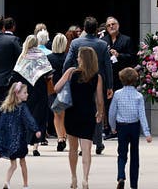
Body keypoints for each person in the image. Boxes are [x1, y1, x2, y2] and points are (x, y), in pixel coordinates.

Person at [55, 46, 104, 189]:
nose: (77, 58)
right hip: (88, 114)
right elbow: (99, 99)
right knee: (87, 149)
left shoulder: (71, 72)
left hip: (72, 113)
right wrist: (99, 113)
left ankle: (74, 177)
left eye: (78, 56)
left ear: (82, 59)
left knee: (73, 149)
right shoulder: (97, 77)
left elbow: (57, 87)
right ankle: (85, 179)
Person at [63, 16, 113, 155]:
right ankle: (98, 142)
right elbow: (108, 66)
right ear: (96, 30)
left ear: (84, 29)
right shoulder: (102, 44)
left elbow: (68, 62)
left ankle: (83, 143)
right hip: (97, 80)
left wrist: (66, 78)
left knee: (81, 110)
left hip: (79, 81)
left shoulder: (75, 43)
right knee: (98, 110)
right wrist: (109, 85)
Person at [0, 81, 42, 189]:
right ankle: (25, 185)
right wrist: (36, 129)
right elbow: (29, 119)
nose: (27, 94)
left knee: (13, 165)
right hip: (20, 140)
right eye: (25, 93)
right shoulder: (22, 107)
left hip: (10, 142)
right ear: (17, 94)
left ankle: (7, 182)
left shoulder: (7, 108)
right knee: (23, 163)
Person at [108, 67, 152, 189]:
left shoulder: (117, 94)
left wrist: (112, 126)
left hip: (122, 126)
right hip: (134, 126)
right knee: (134, 154)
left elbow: (112, 112)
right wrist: (147, 132)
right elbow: (142, 115)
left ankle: (121, 176)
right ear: (135, 80)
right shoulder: (138, 96)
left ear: (121, 79)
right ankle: (134, 184)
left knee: (121, 153)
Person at [11, 35, 52, 156]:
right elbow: (49, 73)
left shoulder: (22, 56)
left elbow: (16, 74)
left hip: (25, 91)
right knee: (39, 118)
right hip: (40, 90)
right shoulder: (41, 55)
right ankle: (35, 147)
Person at [102, 16, 134, 139]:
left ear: (118, 25)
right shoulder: (103, 41)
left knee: (122, 104)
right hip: (108, 78)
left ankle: (123, 129)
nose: (111, 26)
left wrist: (119, 55)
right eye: (109, 25)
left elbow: (132, 57)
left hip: (123, 77)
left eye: (113, 24)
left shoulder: (126, 40)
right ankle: (110, 129)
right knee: (109, 104)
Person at [47, 33, 68, 151]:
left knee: (57, 114)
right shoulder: (68, 57)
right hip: (65, 88)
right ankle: (64, 136)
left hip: (52, 87)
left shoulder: (49, 58)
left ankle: (60, 138)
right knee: (65, 114)